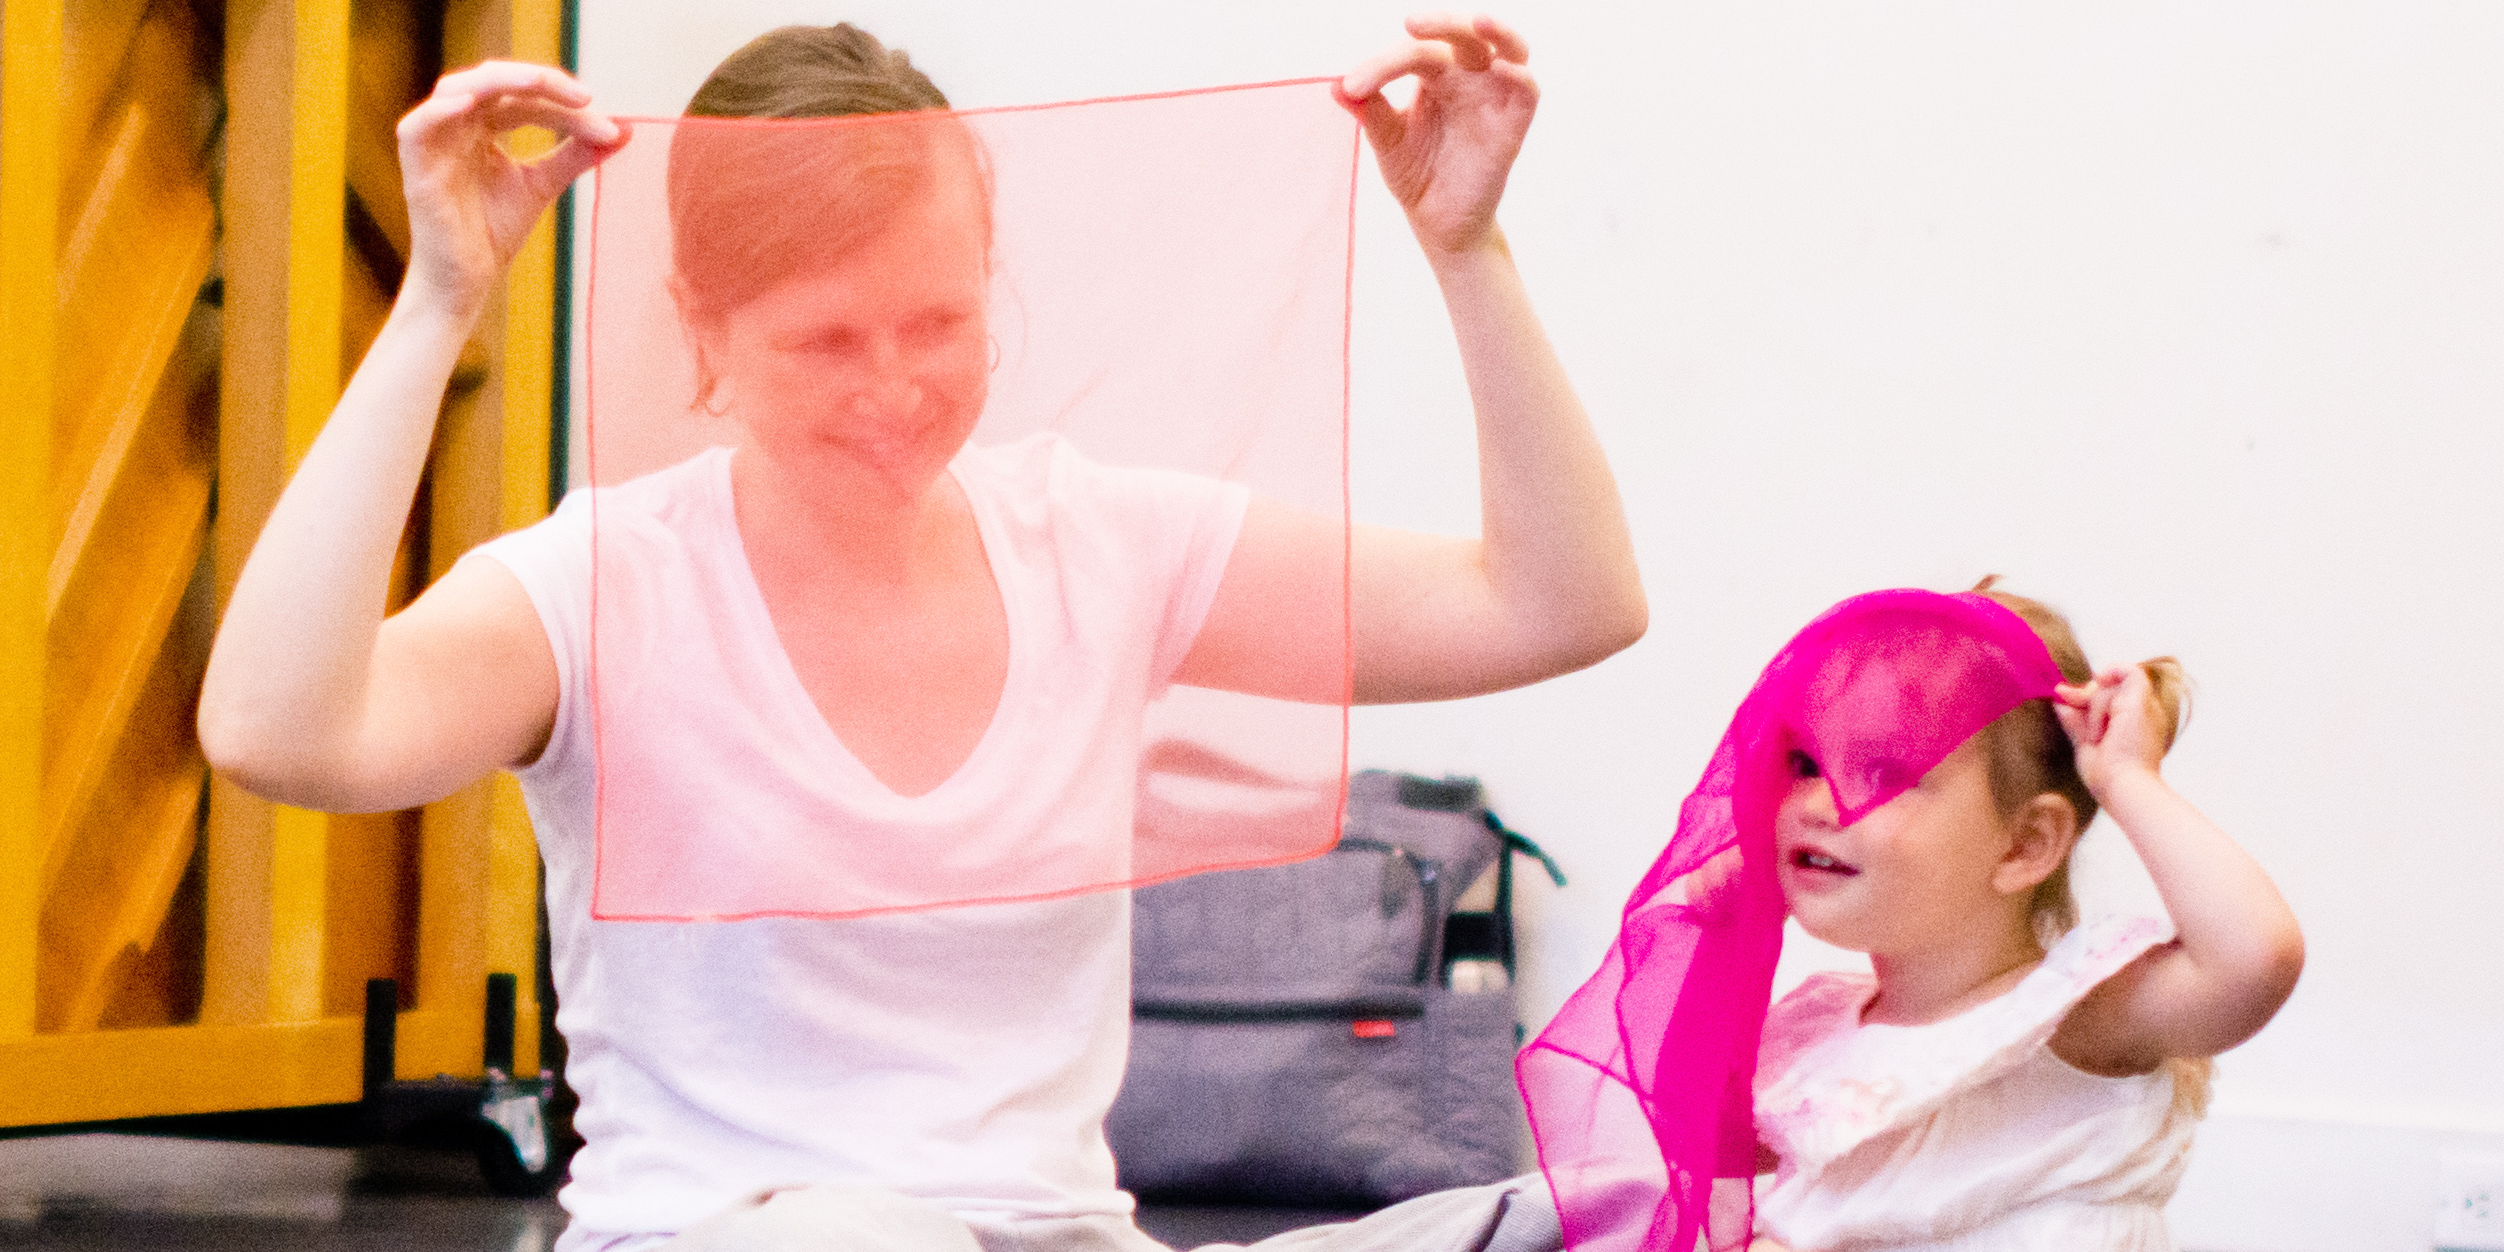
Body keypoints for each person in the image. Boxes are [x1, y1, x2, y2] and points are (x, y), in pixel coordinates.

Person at [197, 14, 1641, 1252]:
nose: (896, 385)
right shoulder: (599, 585)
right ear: (701, 325)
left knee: (1604, 1206)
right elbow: (277, 733)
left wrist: (1469, 251)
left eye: (938, 321)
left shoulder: (1100, 543)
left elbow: (1560, 606)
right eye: (828, 340)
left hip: (1056, 1235)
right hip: (741, 1237)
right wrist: (441, 299)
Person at [1746, 584, 2304, 1251]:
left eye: (1885, 773)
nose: (1817, 802)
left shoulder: (2069, 1022)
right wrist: (1713, 919)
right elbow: (1664, 1155)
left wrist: (2127, 778)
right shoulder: (1808, 1041)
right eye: (1806, 763)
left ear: (2024, 844)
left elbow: (2253, 960)